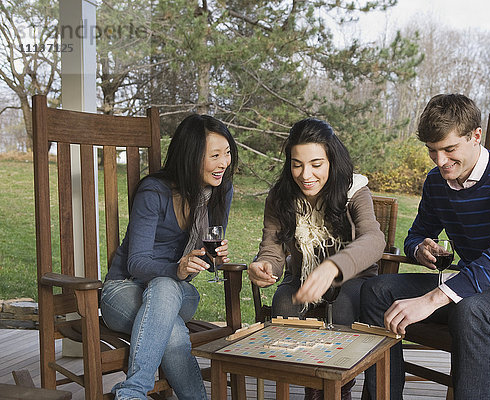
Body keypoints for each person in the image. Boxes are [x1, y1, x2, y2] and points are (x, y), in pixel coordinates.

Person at [360, 94, 490, 399]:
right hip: (472, 291)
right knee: (376, 290)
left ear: (476, 136)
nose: (441, 161)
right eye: (432, 151)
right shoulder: (436, 182)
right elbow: (415, 235)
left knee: (470, 310)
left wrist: (431, 299)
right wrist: (420, 248)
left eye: (449, 149)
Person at [100, 114, 238, 400]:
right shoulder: (154, 192)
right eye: (215, 155)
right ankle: (138, 393)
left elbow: (203, 259)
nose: (223, 163)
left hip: (176, 294)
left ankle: (130, 392)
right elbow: (135, 263)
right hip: (123, 289)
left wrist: (215, 259)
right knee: (173, 332)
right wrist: (177, 269)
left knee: (164, 288)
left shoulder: (219, 191)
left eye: (227, 153)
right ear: (190, 156)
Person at [248, 118, 386, 400]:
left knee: (343, 304)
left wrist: (334, 267)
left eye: (316, 164)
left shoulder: (354, 190)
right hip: (300, 277)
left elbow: (374, 239)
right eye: (297, 164)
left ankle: (338, 389)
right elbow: (272, 249)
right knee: (284, 302)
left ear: (331, 161)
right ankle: (314, 390)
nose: (305, 174)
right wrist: (264, 267)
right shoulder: (279, 197)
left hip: (353, 280)